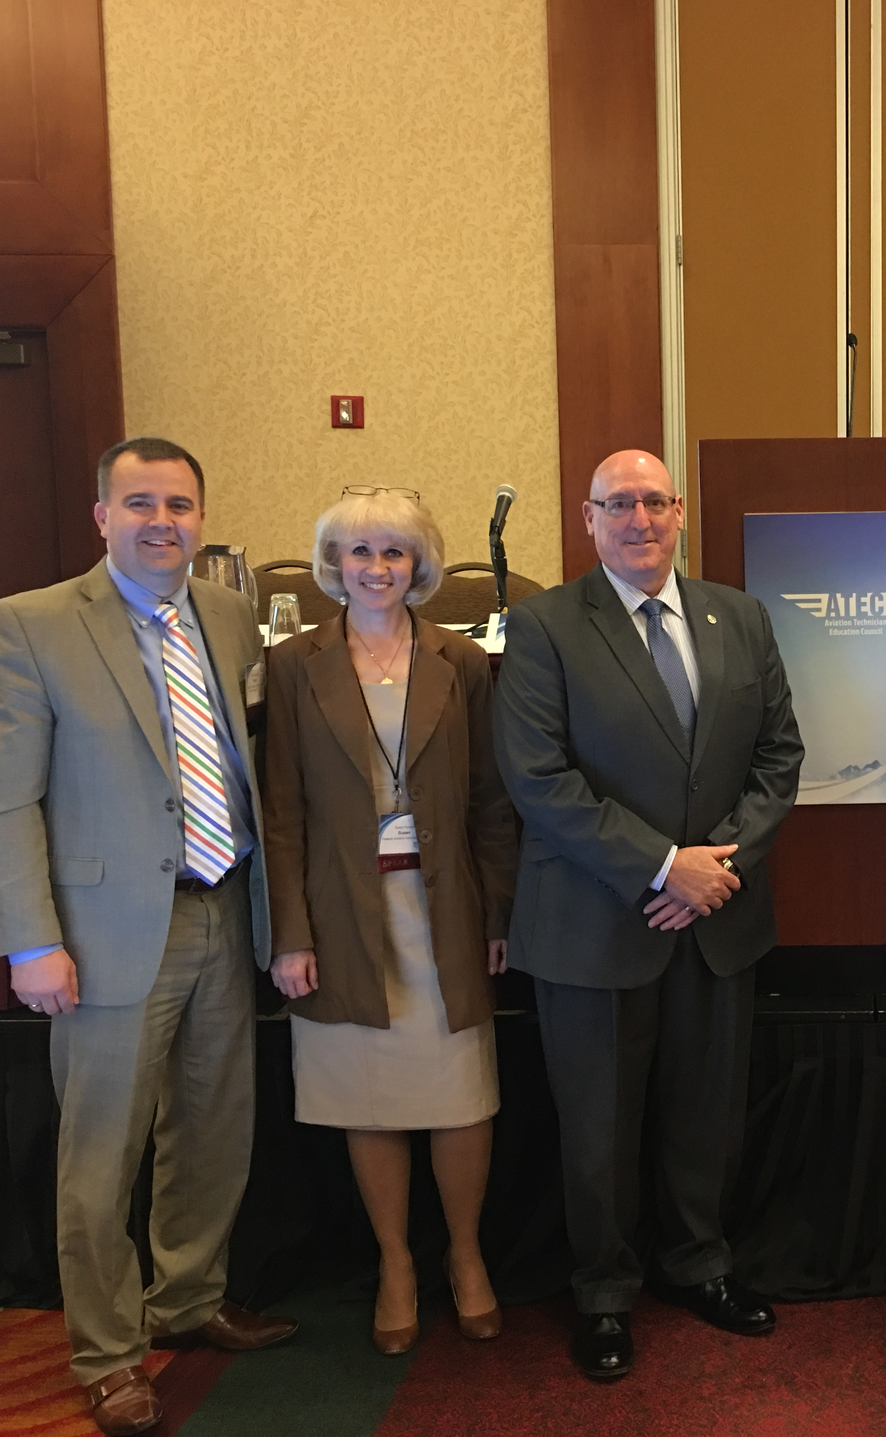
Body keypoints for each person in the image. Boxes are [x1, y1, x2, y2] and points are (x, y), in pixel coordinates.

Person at [0, 438, 297, 1437]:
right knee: (100, 1155)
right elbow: (1, 805)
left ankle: (189, 1301)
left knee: (212, 1130)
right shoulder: (31, 625)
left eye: (183, 505)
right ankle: (109, 1353)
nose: (164, 522)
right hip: (104, 934)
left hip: (222, 908)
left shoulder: (233, 616)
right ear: (103, 515)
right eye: (141, 503)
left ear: (204, 519)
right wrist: (31, 941)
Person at [492, 449, 803, 1381]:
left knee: (706, 1114)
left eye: (655, 502)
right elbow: (536, 776)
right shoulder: (544, 625)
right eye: (617, 504)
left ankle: (699, 1267)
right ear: (588, 519)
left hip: (719, 917)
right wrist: (664, 867)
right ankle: (603, 1294)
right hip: (594, 921)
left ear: (679, 514)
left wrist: (717, 869)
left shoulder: (738, 616)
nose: (639, 519)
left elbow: (780, 755)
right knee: (598, 1126)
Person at [261, 488, 518, 1355]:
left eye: (394, 553)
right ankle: (397, 1263)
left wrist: (500, 912)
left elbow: (491, 801)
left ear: (421, 566)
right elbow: (283, 812)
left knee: (460, 1100)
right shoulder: (295, 665)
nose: (375, 569)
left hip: (444, 905)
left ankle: (468, 1257)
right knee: (368, 1100)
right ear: (332, 565)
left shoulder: (462, 659)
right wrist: (290, 933)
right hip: (343, 912)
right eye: (358, 553)